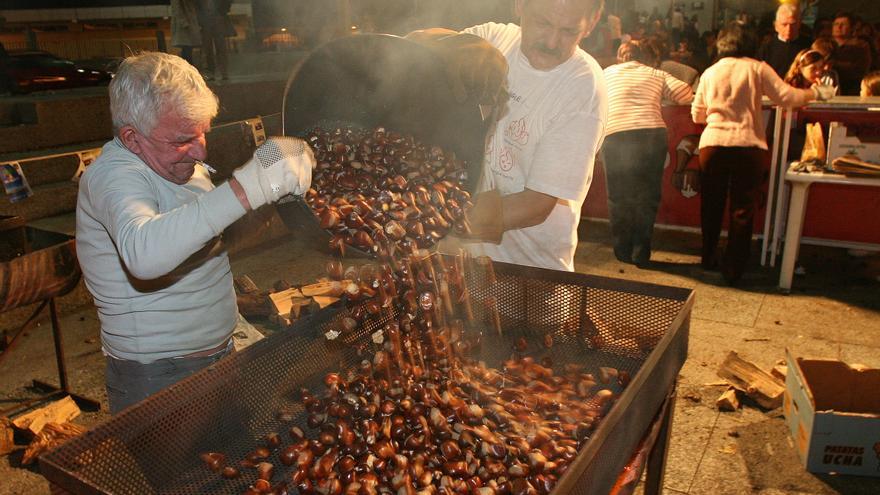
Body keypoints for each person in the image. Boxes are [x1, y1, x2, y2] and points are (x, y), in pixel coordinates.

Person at [76, 52, 315, 414]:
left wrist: (271, 196)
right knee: (184, 474)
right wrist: (244, 188)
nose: (201, 150)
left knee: (238, 465)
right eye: (182, 139)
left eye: (203, 132)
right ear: (132, 137)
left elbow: (213, 239)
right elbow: (145, 255)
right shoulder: (113, 176)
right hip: (158, 376)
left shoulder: (183, 164)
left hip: (222, 354)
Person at [410, 0, 608, 272]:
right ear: (520, 5)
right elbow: (417, 47)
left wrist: (435, 219)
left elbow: (536, 205)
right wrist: (441, 46)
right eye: (543, 23)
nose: (551, 42)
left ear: (593, 20)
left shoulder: (582, 89)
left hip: (528, 271)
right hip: (461, 266)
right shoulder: (495, 39)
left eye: (568, 31)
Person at [691, 23, 832, 285]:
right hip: (748, 145)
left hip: (713, 145)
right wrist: (816, 93)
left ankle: (708, 257)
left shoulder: (710, 72)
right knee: (741, 210)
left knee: (711, 205)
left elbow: (697, 114)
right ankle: (733, 269)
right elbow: (787, 97)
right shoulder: (757, 68)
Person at [601, 39, 693, 266]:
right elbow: (685, 94)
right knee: (647, 196)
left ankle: (622, 250)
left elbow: (588, 98)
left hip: (616, 133)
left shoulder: (606, 73)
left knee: (618, 196)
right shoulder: (654, 74)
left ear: (621, 56)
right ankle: (641, 252)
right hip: (650, 135)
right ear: (642, 57)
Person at [757, 4, 811, 78]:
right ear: (776, 25)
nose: (789, 29)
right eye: (784, 24)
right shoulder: (766, 48)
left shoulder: (809, 45)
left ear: (799, 24)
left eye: (793, 24)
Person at [830, 12, 872, 95]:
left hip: (851, 90)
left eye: (843, 24)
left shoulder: (861, 46)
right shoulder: (823, 44)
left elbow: (859, 69)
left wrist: (834, 64)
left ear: (851, 28)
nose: (839, 27)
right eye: (836, 24)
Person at [198, 0, 231, 80]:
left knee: (217, 47)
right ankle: (217, 72)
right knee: (210, 47)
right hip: (209, 19)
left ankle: (221, 72)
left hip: (212, 18)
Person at [171, 0, 201, 65]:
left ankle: (188, 65)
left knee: (188, 48)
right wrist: (184, 23)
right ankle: (187, 65)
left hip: (188, 24)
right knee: (186, 48)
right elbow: (177, 9)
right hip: (184, 27)